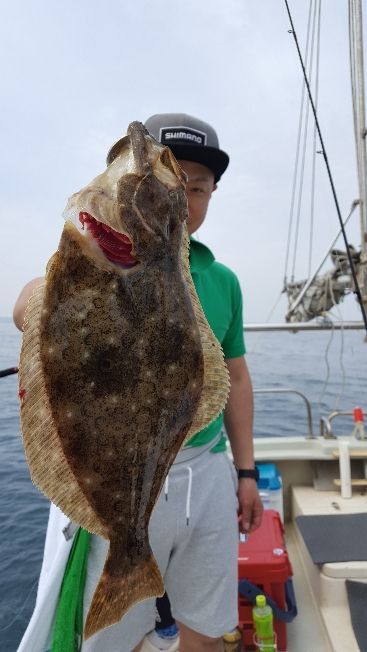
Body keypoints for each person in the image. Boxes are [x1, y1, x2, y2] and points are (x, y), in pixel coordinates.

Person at [13, 113, 263, 652]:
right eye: (177, 183)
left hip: (206, 472)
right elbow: (26, 301)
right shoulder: (89, 255)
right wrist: (48, 301)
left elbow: (235, 379)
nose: (188, 196)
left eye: (198, 188)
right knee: (108, 639)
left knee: (209, 625)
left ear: (210, 196)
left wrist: (246, 471)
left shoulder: (223, 281)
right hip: (120, 476)